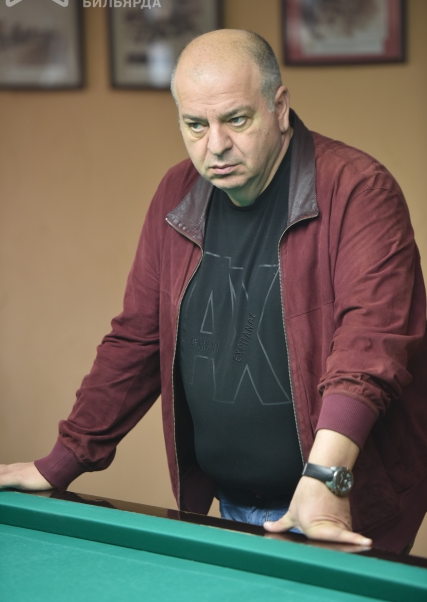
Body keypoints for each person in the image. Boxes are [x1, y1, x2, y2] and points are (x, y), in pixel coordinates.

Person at [1, 30, 426, 553]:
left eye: (236, 120)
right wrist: (62, 461)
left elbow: (371, 343)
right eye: (195, 125)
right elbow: (138, 339)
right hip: (231, 506)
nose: (216, 145)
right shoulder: (176, 193)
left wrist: (324, 476)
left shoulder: (358, 189)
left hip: (338, 502)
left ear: (279, 108)